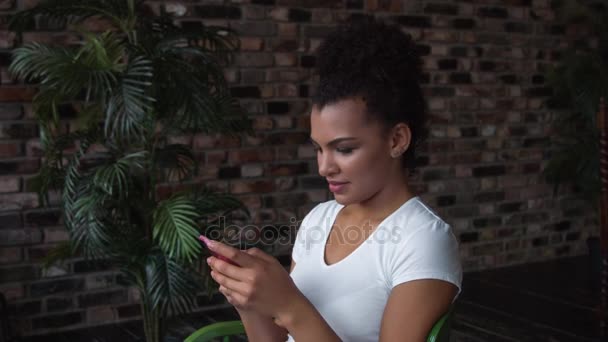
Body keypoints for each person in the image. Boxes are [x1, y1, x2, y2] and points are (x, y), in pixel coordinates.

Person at [201, 16, 462, 341]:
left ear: (396, 140)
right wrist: (252, 303)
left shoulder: (421, 240)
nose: (325, 167)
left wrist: (289, 304)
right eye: (318, 149)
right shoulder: (319, 219)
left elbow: (294, 314)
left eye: (344, 149)